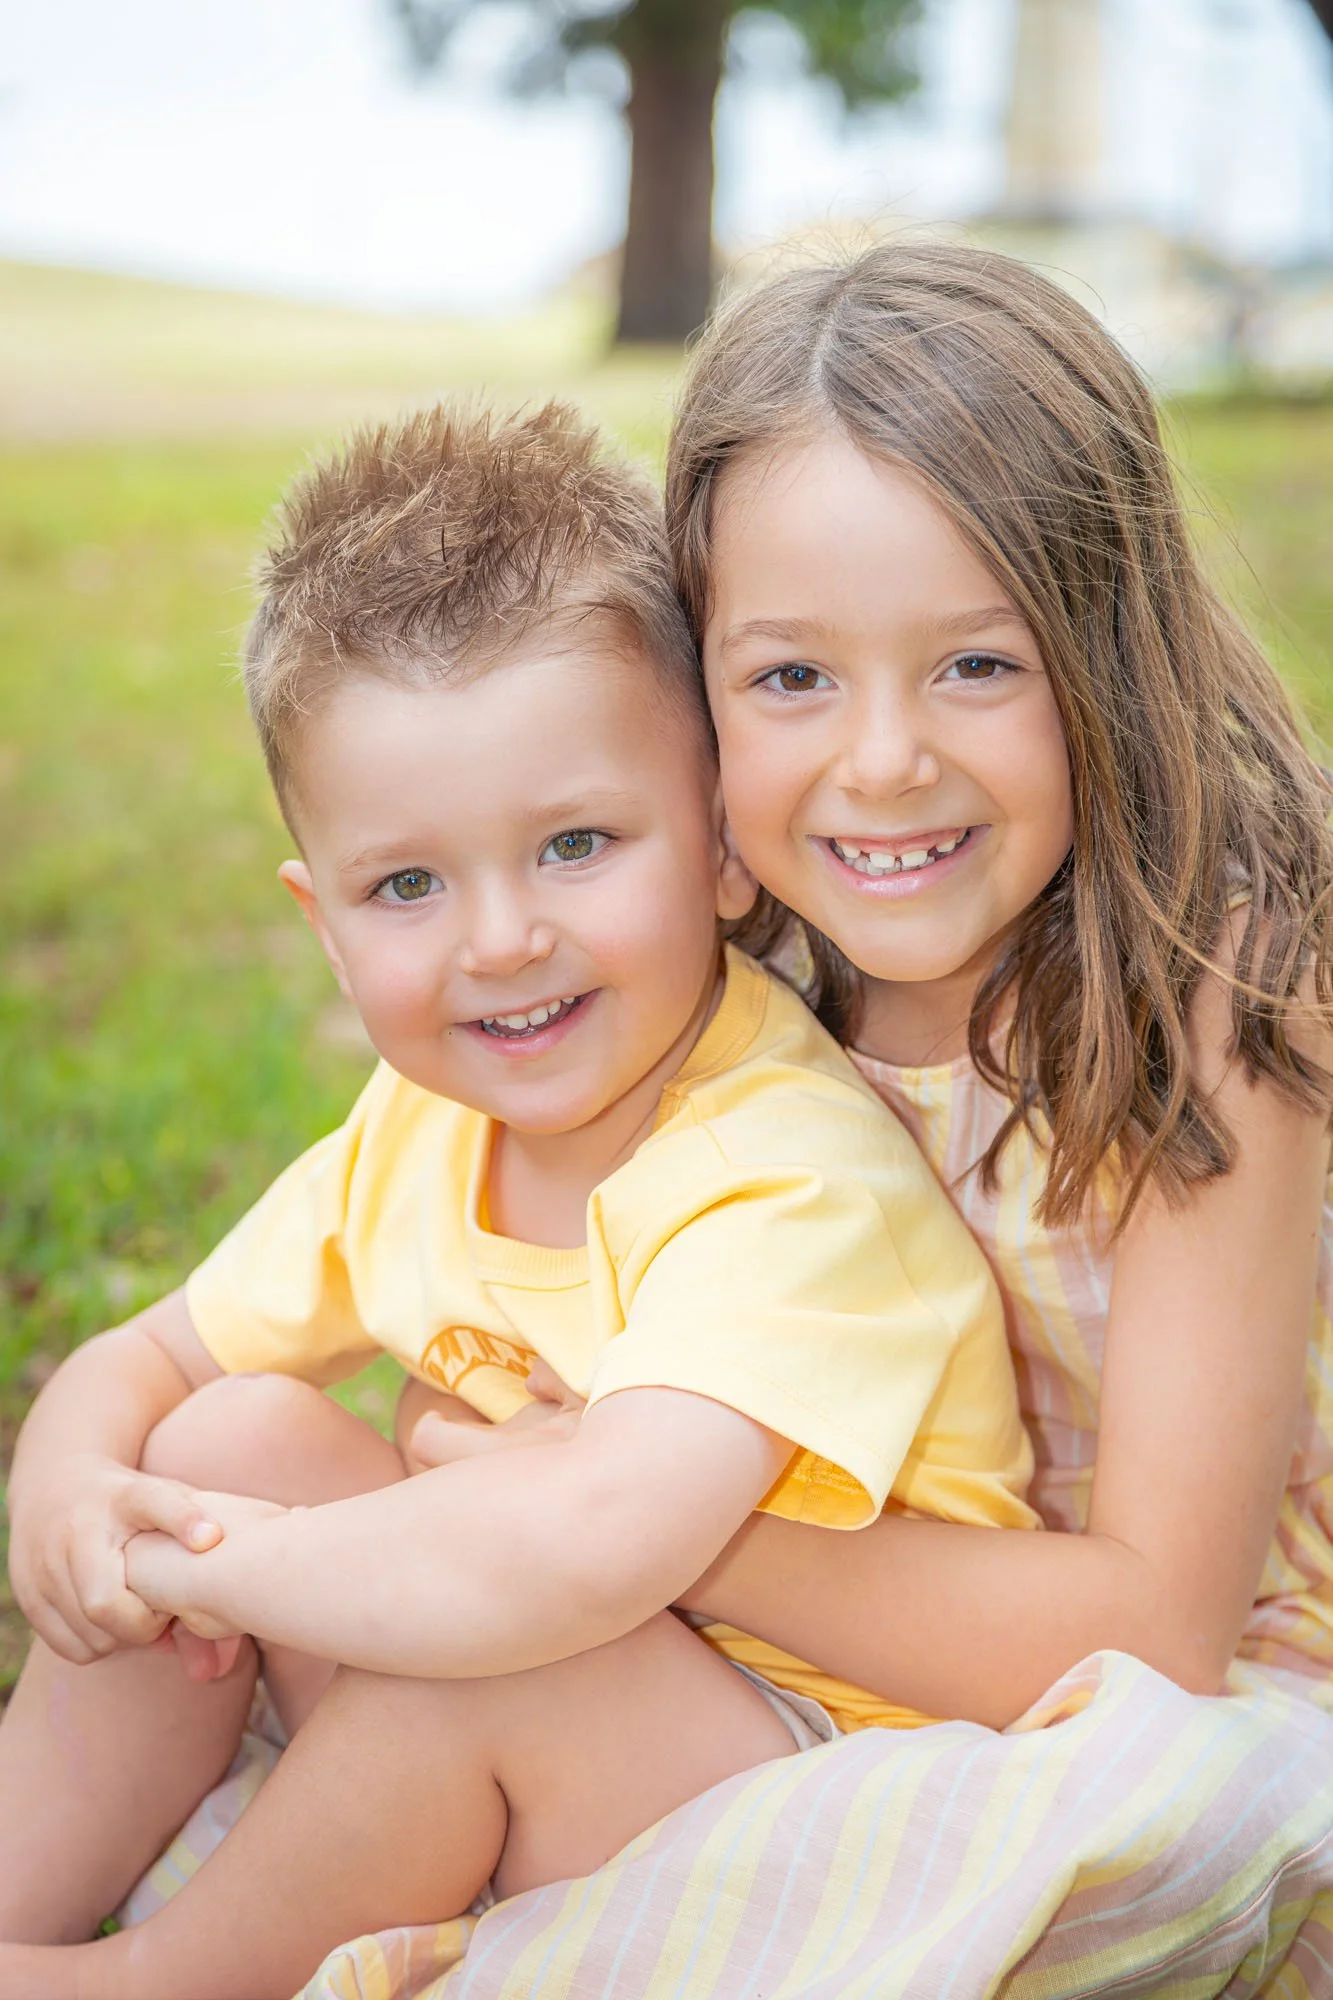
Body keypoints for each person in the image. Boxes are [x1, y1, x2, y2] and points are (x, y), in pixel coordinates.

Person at [224, 238, 1333, 1999]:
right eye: (792, 679)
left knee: (533, 1667)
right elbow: (513, 1334)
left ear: (1103, 653)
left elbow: (1152, 1633)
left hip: (1083, 1711)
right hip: (730, 1645)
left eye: (978, 666)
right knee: (245, 1455)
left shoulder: (1207, 1003)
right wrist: (557, 1483)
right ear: (688, 701)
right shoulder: (715, 959)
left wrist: (635, 1517)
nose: (881, 762)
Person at [0, 399, 1036, 2000]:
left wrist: (204, 1568)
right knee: (221, 1441)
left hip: (831, 1810)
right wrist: (71, 1488)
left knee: (487, 1663)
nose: (498, 941)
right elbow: (150, 1360)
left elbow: (578, 1552)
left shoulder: (788, 1174)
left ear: (718, 848)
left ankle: (133, 1988)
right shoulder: (414, 1123)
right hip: (607, 1724)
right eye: (408, 884)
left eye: (573, 844)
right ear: (326, 920)